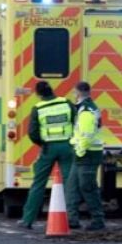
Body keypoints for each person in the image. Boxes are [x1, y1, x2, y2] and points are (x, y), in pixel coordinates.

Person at [20, 80, 77, 229]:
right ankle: (72, 219)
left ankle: (28, 219)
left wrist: (42, 143)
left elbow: (32, 133)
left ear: (38, 94)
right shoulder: (66, 103)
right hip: (67, 146)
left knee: (38, 183)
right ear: (52, 90)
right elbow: (76, 122)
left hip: (48, 148)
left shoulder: (37, 108)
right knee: (69, 184)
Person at [66, 81, 105, 231]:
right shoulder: (85, 108)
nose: (74, 96)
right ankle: (72, 220)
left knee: (87, 187)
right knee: (72, 187)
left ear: (78, 93)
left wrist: (80, 150)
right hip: (82, 154)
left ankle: (98, 220)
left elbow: (87, 135)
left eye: (74, 93)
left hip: (87, 154)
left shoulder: (87, 110)